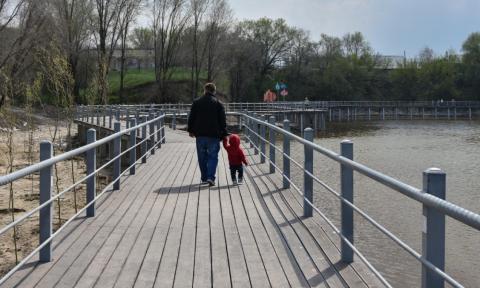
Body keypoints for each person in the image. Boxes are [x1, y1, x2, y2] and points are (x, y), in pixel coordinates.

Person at [187, 83, 228, 186]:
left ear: (204, 90)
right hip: (214, 135)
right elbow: (222, 121)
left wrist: (190, 130)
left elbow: (191, 117)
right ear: (214, 91)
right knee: (213, 156)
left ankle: (204, 177)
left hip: (200, 135)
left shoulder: (196, 102)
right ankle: (211, 177)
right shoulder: (219, 103)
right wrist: (224, 134)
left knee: (202, 156)